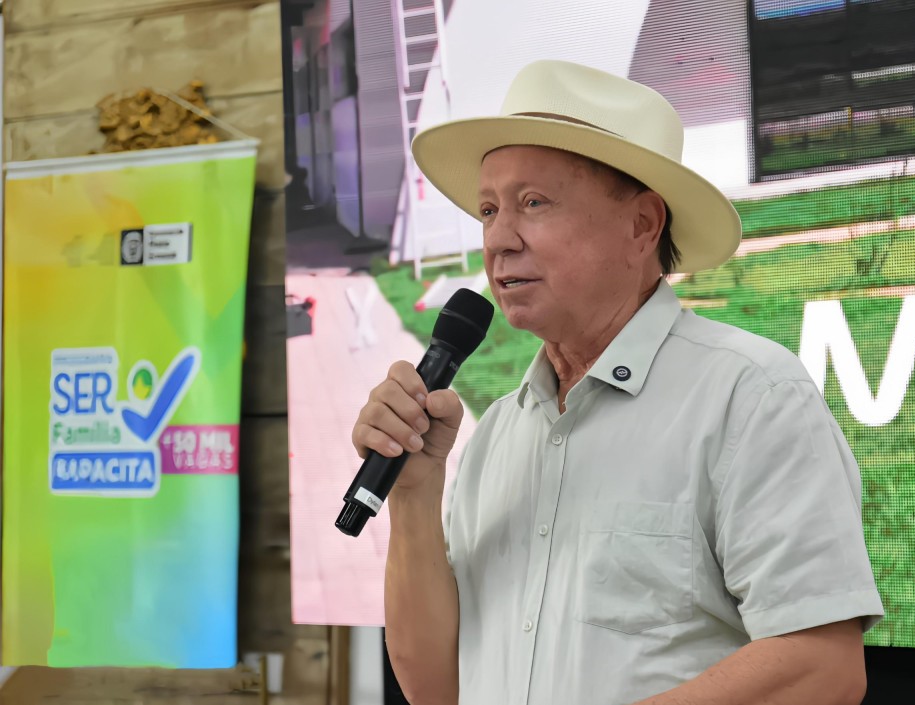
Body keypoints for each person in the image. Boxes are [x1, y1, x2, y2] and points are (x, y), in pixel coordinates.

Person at [352, 60, 884, 705]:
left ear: (642, 225)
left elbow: (822, 667)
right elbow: (438, 687)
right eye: (489, 210)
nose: (498, 240)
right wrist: (414, 493)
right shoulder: (499, 434)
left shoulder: (750, 397)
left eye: (533, 203)